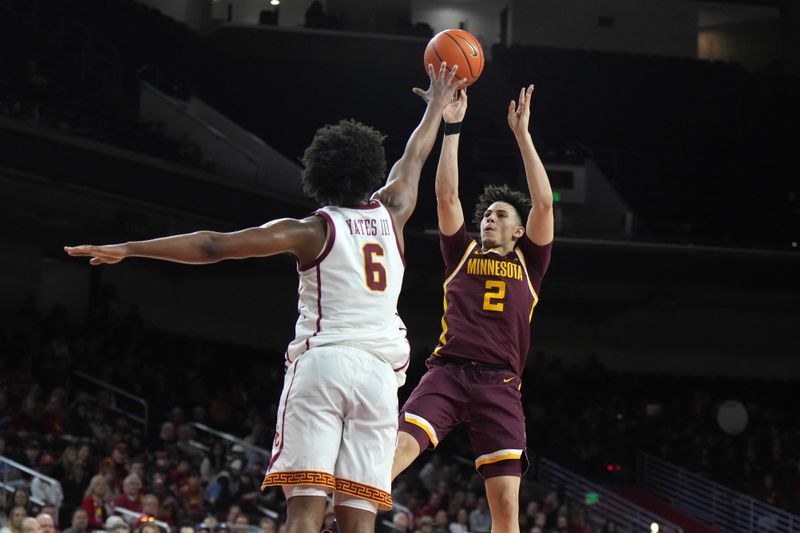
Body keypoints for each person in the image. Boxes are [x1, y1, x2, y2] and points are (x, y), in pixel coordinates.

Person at [65, 63, 466, 533]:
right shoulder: (394, 210)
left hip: (325, 365)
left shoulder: (311, 230)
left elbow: (214, 245)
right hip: (379, 378)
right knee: (359, 519)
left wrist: (131, 247)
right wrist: (439, 107)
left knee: (304, 513)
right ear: (369, 168)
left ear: (319, 174)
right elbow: (413, 156)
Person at [391, 84, 554, 533]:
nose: (490, 218)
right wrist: (452, 127)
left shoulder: (531, 262)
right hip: (447, 372)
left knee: (505, 507)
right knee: (397, 452)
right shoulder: (460, 251)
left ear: (521, 231)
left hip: (500, 384)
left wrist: (522, 135)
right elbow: (447, 196)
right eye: (487, 214)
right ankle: (336, 520)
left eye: (501, 215)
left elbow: (542, 202)